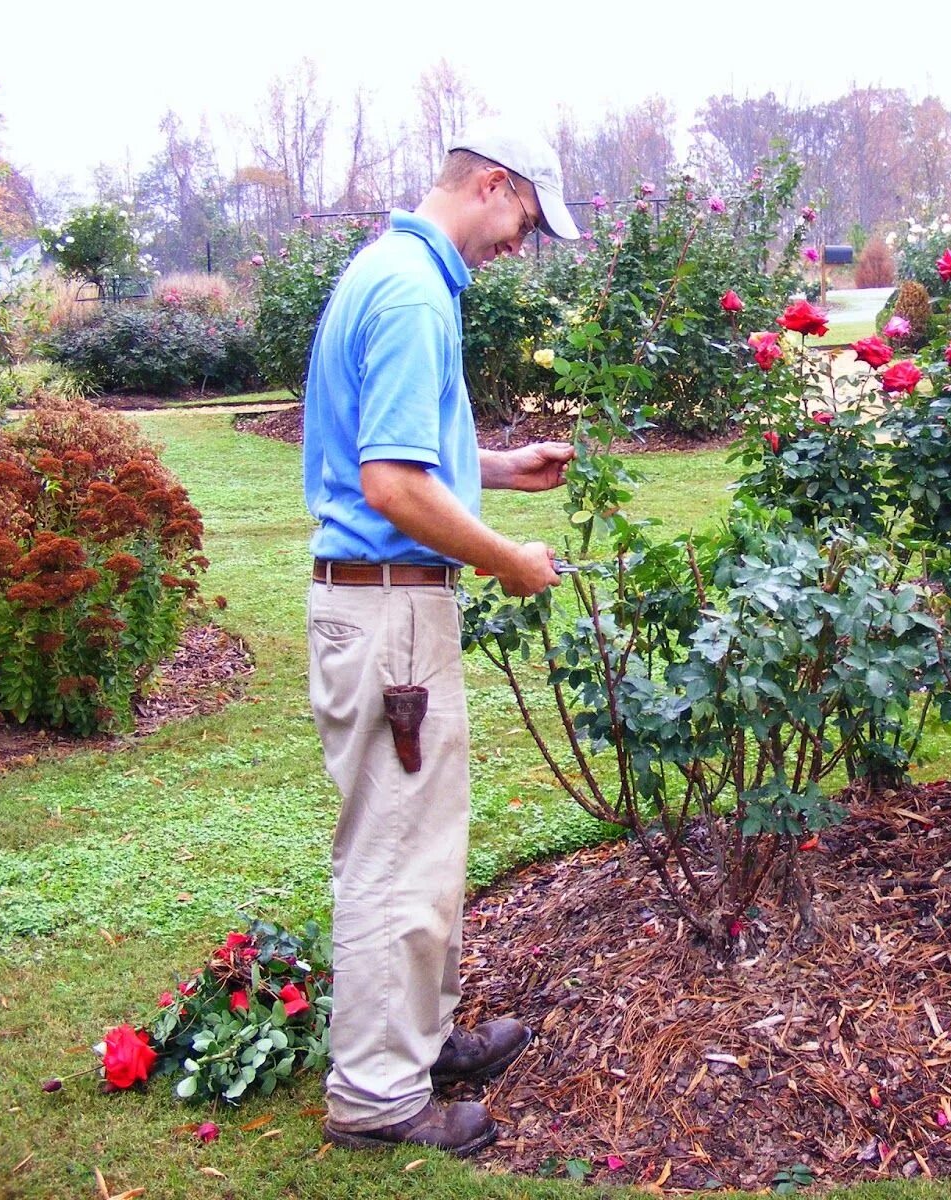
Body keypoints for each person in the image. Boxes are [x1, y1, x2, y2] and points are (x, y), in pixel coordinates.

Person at [302, 118, 581, 1157]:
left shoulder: (388, 269)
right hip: (389, 615)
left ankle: (416, 1039)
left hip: (381, 606)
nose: (523, 241)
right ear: (494, 185)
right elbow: (389, 487)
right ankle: (378, 1098)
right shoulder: (415, 292)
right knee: (394, 855)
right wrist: (508, 556)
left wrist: (499, 465)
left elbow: (397, 452)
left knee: (418, 841)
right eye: (525, 219)